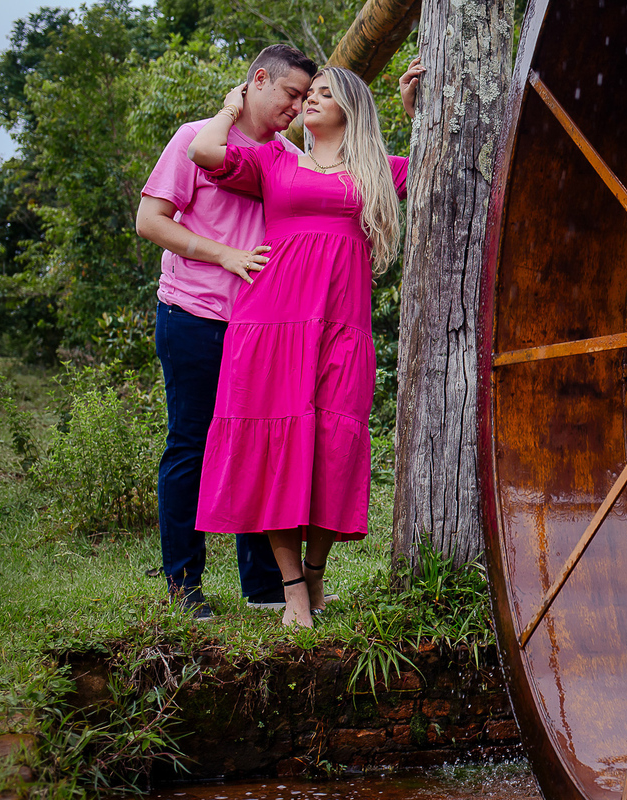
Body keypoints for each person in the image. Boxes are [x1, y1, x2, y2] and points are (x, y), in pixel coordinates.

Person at [188, 61, 423, 627]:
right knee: (272, 445)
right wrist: (232, 105)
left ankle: (316, 573)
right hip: (269, 323)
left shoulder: (375, 171)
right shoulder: (274, 159)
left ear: (351, 108)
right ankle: (293, 589)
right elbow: (204, 152)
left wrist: (415, 112)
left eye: (323, 94)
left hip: (342, 327)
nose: (308, 101)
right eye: (307, 93)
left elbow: (434, 168)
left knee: (333, 446)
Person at [136, 45, 319, 620]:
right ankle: (183, 585)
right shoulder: (197, 137)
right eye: (290, 93)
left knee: (258, 448)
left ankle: (263, 585)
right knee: (191, 445)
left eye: (304, 98)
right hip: (192, 315)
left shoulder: (287, 155)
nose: (297, 107)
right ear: (258, 80)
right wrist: (225, 255)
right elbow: (150, 221)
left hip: (260, 330)